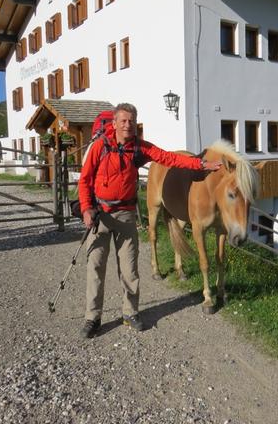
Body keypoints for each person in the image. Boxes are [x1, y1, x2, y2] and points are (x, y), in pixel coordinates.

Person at [78, 103, 222, 338]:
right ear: (114, 124)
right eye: (123, 121)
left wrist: (202, 164)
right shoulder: (99, 147)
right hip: (99, 214)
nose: (128, 125)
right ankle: (92, 318)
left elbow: (169, 158)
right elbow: (84, 181)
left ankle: (130, 313)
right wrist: (85, 209)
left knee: (130, 268)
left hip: (125, 214)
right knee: (96, 267)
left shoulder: (140, 148)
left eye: (131, 121)